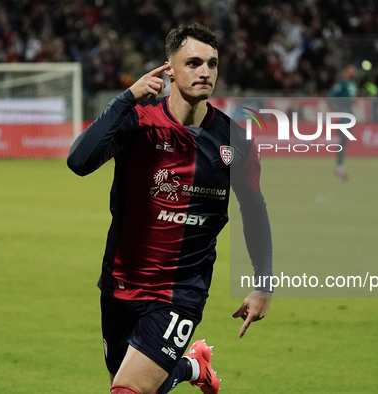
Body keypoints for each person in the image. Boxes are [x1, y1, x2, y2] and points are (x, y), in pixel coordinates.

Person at [67, 23, 273, 394]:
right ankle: (194, 367)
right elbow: (79, 161)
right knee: (138, 383)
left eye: (212, 63)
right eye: (193, 62)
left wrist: (264, 282)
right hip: (120, 284)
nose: (205, 72)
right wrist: (127, 96)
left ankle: (189, 365)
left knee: (128, 389)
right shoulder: (138, 121)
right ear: (169, 69)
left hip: (180, 291)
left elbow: (254, 211)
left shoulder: (235, 141)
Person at [328, 64, 357, 181]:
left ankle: (339, 166)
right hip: (342, 114)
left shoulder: (352, 84)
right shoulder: (341, 84)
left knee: (344, 141)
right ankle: (340, 167)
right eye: (350, 71)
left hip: (349, 114)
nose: (352, 73)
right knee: (342, 140)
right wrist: (334, 111)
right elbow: (331, 96)